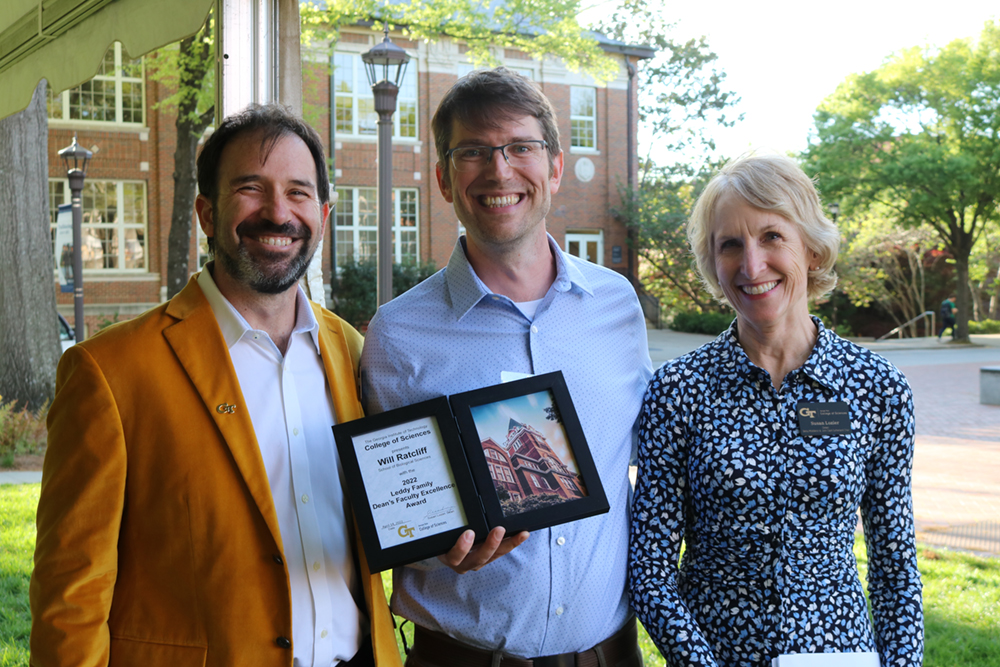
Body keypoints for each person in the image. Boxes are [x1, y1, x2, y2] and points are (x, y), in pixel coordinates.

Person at [31, 104, 401, 667]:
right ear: (207, 212)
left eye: (299, 193)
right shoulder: (110, 371)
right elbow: (71, 592)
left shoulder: (350, 350)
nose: (279, 213)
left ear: (323, 214)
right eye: (251, 189)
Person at [361, 68, 653, 666]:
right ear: (443, 178)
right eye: (473, 152)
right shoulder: (396, 334)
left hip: (609, 654)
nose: (499, 171)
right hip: (462, 658)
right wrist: (432, 549)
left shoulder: (618, 306)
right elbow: (395, 510)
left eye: (521, 147)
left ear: (554, 167)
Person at [628, 154, 924, 667]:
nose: (751, 265)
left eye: (771, 237)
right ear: (712, 263)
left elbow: (894, 563)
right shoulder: (678, 392)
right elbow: (650, 569)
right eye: (730, 245)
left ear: (810, 247)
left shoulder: (878, 389)